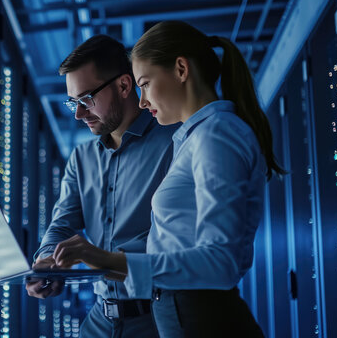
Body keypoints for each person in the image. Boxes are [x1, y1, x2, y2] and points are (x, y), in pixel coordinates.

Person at [52, 21, 286, 337]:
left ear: (180, 69)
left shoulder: (215, 135)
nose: (143, 99)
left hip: (195, 315)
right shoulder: (195, 137)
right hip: (175, 314)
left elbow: (221, 261)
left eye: (145, 84)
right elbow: (177, 244)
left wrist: (106, 259)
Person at [25, 34, 178, 337]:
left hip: (158, 317)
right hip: (99, 321)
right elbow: (61, 225)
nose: (79, 114)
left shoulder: (175, 142)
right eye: (73, 103)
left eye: (86, 99)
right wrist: (46, 262)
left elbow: (178, 240)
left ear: (124, 86)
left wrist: (100, 257)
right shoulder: (81, 159)